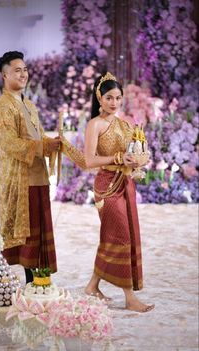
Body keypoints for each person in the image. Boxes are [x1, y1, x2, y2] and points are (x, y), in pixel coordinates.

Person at [82, 72, 154, 312]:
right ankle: (129, 297)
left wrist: (138, 160)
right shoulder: (95, 124)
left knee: (119, 235)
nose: (114, 103)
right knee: (120, 235)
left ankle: (92, 286)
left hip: (125, 183)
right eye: (109, 97)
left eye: (118, 98)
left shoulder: (125, 124)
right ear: (99, 98)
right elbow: (88, 160)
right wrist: (118, 157)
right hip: (106, 186)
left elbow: (133, 150)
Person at [0, 51, 60, 284]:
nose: (23, 74)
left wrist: (52, 144)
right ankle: (27, 280)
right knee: (24, 233)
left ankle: (38, 279)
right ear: (4, 75)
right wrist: (42, 146)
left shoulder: (28, 104)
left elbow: (38, 137)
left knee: (38, 230)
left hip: (38, 176)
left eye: (25, 70)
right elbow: (9, 144)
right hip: (20, 180)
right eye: (17, 70)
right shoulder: (2, 107)